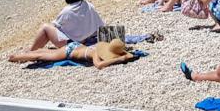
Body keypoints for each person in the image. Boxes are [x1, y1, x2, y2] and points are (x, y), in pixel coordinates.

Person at [29, 0, 105, 50]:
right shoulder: (88, 5)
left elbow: (56, 25)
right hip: (88, 39)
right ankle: (35, 49)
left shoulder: (67, 11)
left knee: (45, 27)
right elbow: (99, 24)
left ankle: (32, 51)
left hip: (74, 43)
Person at [8, 37, 137, 69]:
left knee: (47, 52)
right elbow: (98, 65)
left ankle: (29, 51)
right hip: (70, 51)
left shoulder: (102, 47)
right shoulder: (96, 53)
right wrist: (119, 59)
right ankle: (15, 57)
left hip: (76, 46)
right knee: (42, 56)